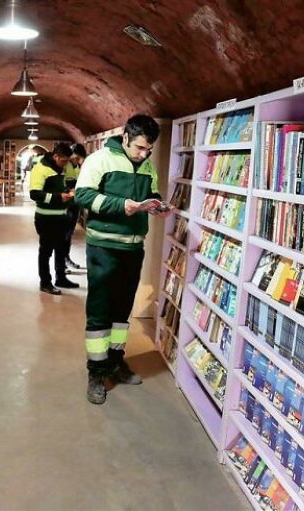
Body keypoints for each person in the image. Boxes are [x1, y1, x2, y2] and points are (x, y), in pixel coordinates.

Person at [75, 114, 171, 404]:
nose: (144, 153)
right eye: (140, 147)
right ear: (126, 137)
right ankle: (96, 371)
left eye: (148, 149)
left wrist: (156, 206)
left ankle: (116, 361)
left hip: (133, 248)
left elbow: (151, 193)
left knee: (122, 311)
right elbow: (82, 196)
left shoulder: (148, 165)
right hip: (103, 246)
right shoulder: (99, 160)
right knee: (100, 309)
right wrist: (121, 205)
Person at [29, 142, 80, 295]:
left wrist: (70, 190)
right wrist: (58, 197)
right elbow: (35, 194)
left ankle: (61, 278)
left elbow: (63, 184)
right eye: (63, 161)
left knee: (61, 249)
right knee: (46, 251)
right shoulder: (40, 169)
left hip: (62, 216)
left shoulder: (62, 168)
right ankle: (45, 282)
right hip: (46, 218)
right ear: (55, 156)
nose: (65, 165)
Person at [63, 143, 87, 272]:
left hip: (75, 203)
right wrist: (69, 189)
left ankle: (66, 257)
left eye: (79, 158)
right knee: (63, 234)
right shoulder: (65, 165)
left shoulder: (79, 166)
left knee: (69, 233)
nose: (76, 160)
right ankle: (61, 262)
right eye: (76, 157)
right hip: (65, 203)